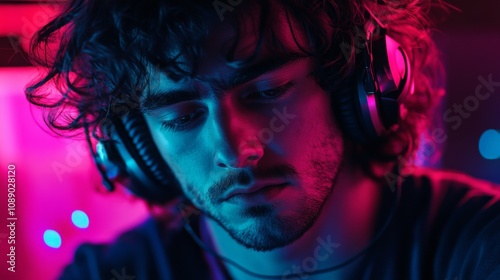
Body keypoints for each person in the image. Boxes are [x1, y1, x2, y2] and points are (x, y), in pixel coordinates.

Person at [26, 0, 500, 279]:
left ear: (359, 84)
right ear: (136, 147)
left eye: (269, 91)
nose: (236, 151)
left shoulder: (481, 250)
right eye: (182, 116)